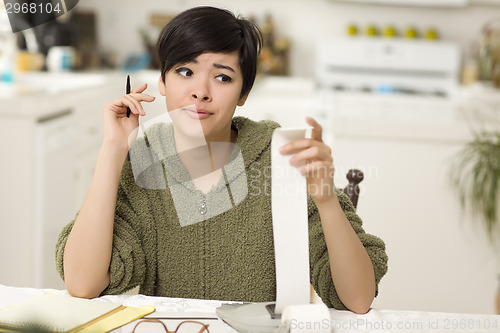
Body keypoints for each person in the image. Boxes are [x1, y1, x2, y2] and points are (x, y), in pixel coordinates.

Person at [56, 6, 387, 314]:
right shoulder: (142, 163)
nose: (200, 91)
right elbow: (83, 284)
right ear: (162, 81)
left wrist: (327, 199)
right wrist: (113, 150)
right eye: (185, 71)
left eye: (223, 77)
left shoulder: (283, 159)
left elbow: (357, 299)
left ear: (243, 94)